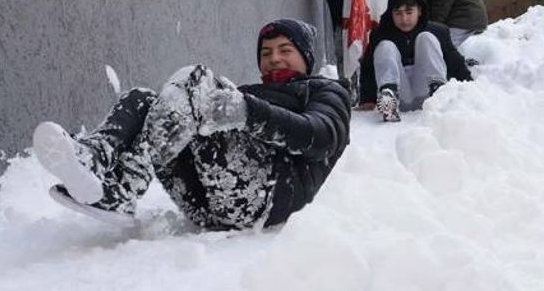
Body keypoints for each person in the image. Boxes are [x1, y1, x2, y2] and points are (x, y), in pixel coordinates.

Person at [32, 19, 351, 230]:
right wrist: (231, 103)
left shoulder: (324, 90)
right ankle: (94, 159)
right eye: (266, 52)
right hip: (203, 202)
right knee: (143, 99)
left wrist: (244, 110)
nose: (274, 58)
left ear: (306, 57)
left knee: (195, 78)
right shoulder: (250, 91)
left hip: (266, 199)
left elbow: (321, 136)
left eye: (286, 50)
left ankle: (124, 187)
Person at [358, 0, 473, 122]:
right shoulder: (381, 34)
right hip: (400, 95)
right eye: (398, 13)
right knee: (385, 46)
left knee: (426, 37)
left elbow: (454, 61)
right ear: (391, 14)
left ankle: (438, 88)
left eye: (409, 12)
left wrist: (470, 87)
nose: (404, 19)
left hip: (428, 94)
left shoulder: (437, 31)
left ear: (419, 11)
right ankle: (388, 96)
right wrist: (367, 98)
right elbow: (368, 67)